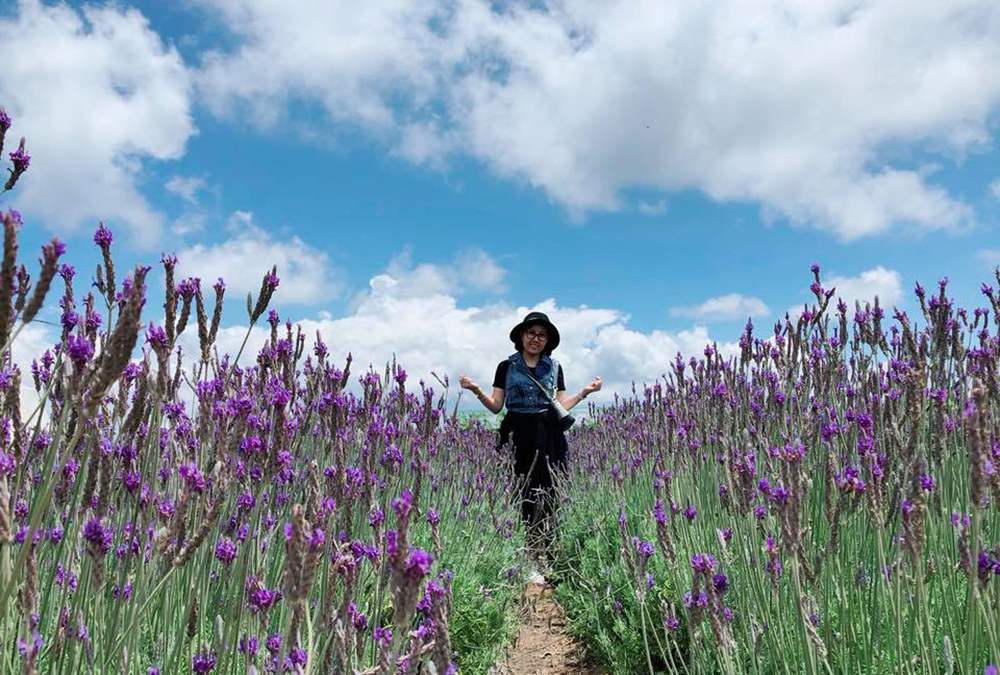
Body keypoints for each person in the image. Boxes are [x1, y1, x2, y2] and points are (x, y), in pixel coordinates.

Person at [459, 311, 602, 560]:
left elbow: (560, 406)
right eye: (531, 333)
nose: (535, 339)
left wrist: (584, 393)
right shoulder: (506, 366)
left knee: (550, 489)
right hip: (516, 432)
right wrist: (476, 390)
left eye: (541, 335)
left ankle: (547, 548)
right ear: (522, 336)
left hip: (548, 432)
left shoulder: (555, 367)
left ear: (547, 341)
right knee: (517, 488)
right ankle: (523, 550)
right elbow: (496, 406)